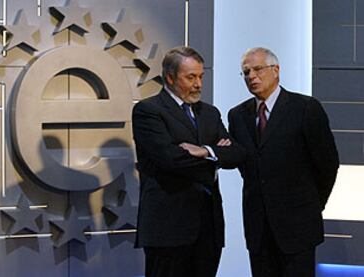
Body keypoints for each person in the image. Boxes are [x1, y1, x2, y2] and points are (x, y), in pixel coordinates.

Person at [132, 46, 246, 277]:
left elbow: (236, 154)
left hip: (208, 228)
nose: (198, 84)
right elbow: (170, 160)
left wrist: (204, 151)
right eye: (191, 77)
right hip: (167, 228)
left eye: (201, 76)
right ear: (170, 78)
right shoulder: (149, 111)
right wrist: (215, 158)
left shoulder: (210, 113)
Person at [228, 47, 339, 277]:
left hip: (298, 225)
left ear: (276, 70)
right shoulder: (237, 115)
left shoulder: (306, 108)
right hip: (258, 227)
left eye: (257, 69)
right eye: (246, 72)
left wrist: (311, 204)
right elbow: (246, 167)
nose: (251, 76)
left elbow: (327, 165)